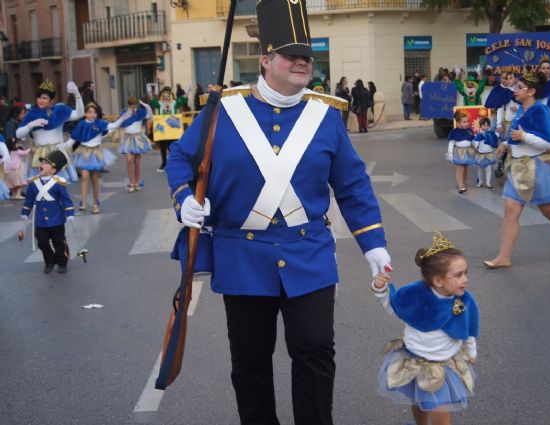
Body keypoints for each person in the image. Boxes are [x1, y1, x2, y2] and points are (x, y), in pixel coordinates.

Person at [166, 1, 391, 423]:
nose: (302, 62)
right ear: (266, 60)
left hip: (309, 254)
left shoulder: (326, 115)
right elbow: (182, 158)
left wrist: (373, 245)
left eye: (307, 56)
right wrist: (185, 200)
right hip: (242, 257)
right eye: (291, 55)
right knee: (250, 363)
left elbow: (352, 183)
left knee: (316, 351)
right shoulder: (223, 110)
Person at [372, 232, 478, 425]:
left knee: (440, 412)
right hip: (415, 361)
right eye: (458, 275)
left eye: (466, 273)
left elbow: (469, 328)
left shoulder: (464, 300)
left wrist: (471, 351)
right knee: (418, 400)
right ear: (438, 280)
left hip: (443, 366)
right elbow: (394, 305)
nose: (465, 280)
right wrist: (381, 289)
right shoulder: (415, 294)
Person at [485, 70, 550, 269]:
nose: (515, 91)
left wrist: (524, 138)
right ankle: (503, 257)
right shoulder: (522, 111)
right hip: (519, 167)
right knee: (510, 210)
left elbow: (549, 142)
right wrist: (506, 144)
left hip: (539, 167)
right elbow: (516, 134)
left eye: (519, 88)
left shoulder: (541, 111)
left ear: (531, 91)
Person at [16, 80, 83, 181]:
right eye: (39, 97)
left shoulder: (59, 111)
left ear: (51, 100)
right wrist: (30, 125)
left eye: (44, 98)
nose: (41, 100)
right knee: (42, 187)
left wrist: (77, 94)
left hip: (57, 153)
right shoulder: (32, 114)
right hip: (40, 155)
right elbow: (18, 134)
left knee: (57, 187)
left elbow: (79, 114)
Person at [69, 103, 131, 213]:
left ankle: (95, 202)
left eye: (94, 112)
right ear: (85, 113)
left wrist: (123, 118)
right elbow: (73, 138)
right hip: (84, 151)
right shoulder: (81, 124)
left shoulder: (100, 123)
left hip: (96, 152)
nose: (91, 114)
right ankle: (83, 202)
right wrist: (63, 146)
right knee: (84, 176)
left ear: (97, 114)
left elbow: (112, 126)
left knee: (95, 179)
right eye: (89, 112)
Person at [20, 150, 75, 274]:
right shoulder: (33, 183)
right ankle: (49, 261)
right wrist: (25, 212)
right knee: (42, 242)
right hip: (40, 221)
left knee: (59, 243)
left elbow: (65, 200)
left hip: (56, 219)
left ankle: (62, 262)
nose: (42, 165)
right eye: (42, 162)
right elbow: (29, 200)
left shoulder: (58, 183)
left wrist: (70, 213)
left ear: (53, 170)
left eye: (46, 163)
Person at [119, 96, 153, 193]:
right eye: (131, 105)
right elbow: (119, 124)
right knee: (129, 160)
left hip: (138, 138)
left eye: (134, 105)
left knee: (137, 162)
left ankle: (137, 182)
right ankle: (131, 182)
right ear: (129, 105)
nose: (133, 107)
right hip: (128, 138)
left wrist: (146, 106)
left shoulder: (140, 113)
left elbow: (150, 116)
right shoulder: (125, 113)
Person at [151, 86, 188, 172]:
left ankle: (173, 164)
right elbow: (153, 102)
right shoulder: (160, 103)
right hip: (163, 129)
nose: (166, 97)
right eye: (164, 95)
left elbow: (182, 100)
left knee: (172, 147)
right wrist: (151, 93)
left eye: (168, 94)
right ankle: (164, 163)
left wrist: (188, 91)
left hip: (173, 128)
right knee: (163, 147)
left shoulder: (174, 103)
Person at [446, 111, 476, 193]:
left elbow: (472, 140)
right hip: (459, 152)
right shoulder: (454, 132)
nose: (467, 123)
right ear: (458, 123)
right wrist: (450, 153)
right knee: (460, 169)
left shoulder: (469, 130)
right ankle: (460, 185)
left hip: (467, 151)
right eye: (464, 122)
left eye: (467, 121)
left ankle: (463, 183)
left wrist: (475, 147)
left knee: (465, 168)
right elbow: (451, 143)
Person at [484, 67, 517, 139]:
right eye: (504, 78)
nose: (506, 80)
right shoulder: (496, 89)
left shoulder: (516, 89)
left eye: (508, 78)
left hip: (512, 119)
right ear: (500, 78)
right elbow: (492, 105)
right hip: (498, 118)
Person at [473, 117, 498, 188]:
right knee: (480, 169)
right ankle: (480, 182)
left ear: (489, 126)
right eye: (484, 125)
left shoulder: (491, 134)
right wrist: (475, 149)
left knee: (488, 169)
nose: (486, 127)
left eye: (487, 125)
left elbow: (496, 137)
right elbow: (476, 143)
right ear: (480, 126)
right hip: (480, 155)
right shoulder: (478, 135)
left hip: (489, 154)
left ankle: (488, 183)